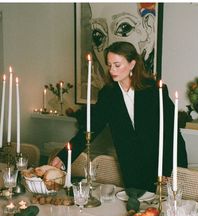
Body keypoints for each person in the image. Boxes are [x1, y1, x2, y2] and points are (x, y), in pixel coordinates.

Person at [51, 41, 188, 192]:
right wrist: (64, 157)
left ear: (132, 64)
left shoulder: (154, 90)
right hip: (130, 167)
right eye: (109, 65)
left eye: (117, 65)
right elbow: (91, 128)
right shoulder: (108, 94)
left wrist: (177, 170)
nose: (112, 70)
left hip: (160, 165)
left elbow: (173, 132)